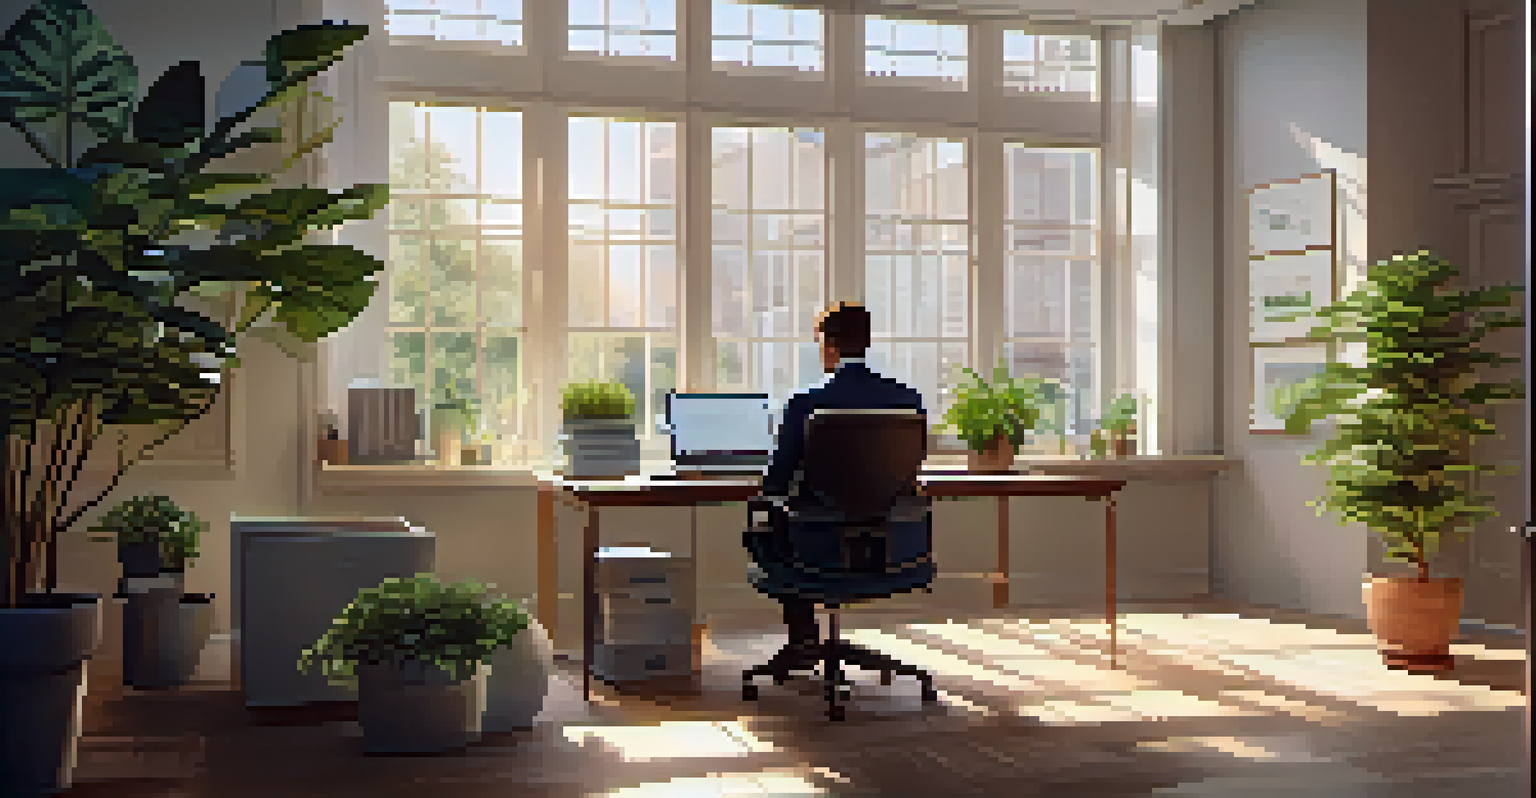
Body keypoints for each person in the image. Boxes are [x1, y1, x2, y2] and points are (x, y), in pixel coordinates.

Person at [754, 301, 927, 665]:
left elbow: (776, 482)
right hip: (890, 546)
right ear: (866, 342)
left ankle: (803, 641)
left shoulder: (806, 403)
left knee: (770, 528)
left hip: (817, 550)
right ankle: (808, 642)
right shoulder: (907, 400)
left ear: (828, 346)